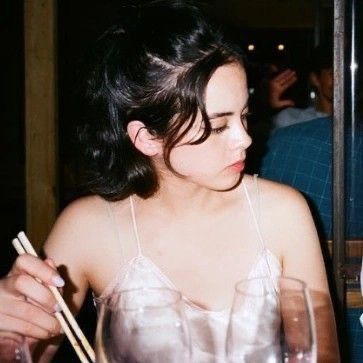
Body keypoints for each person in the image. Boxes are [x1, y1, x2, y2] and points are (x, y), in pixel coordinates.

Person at [0, 1, 338, 362]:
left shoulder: (283, 212)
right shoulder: (88, 227)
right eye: (218, 126)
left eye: (245, 116)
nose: (245, 139)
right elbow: (27, 352)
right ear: (147, 138)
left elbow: (321, 355)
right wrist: (9, 327)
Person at [270, 44, 333, 130]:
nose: (341, 80)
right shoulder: (292, 120)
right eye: (332, 74)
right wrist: (270, 109)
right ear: (315, 79)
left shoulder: (353, 123)